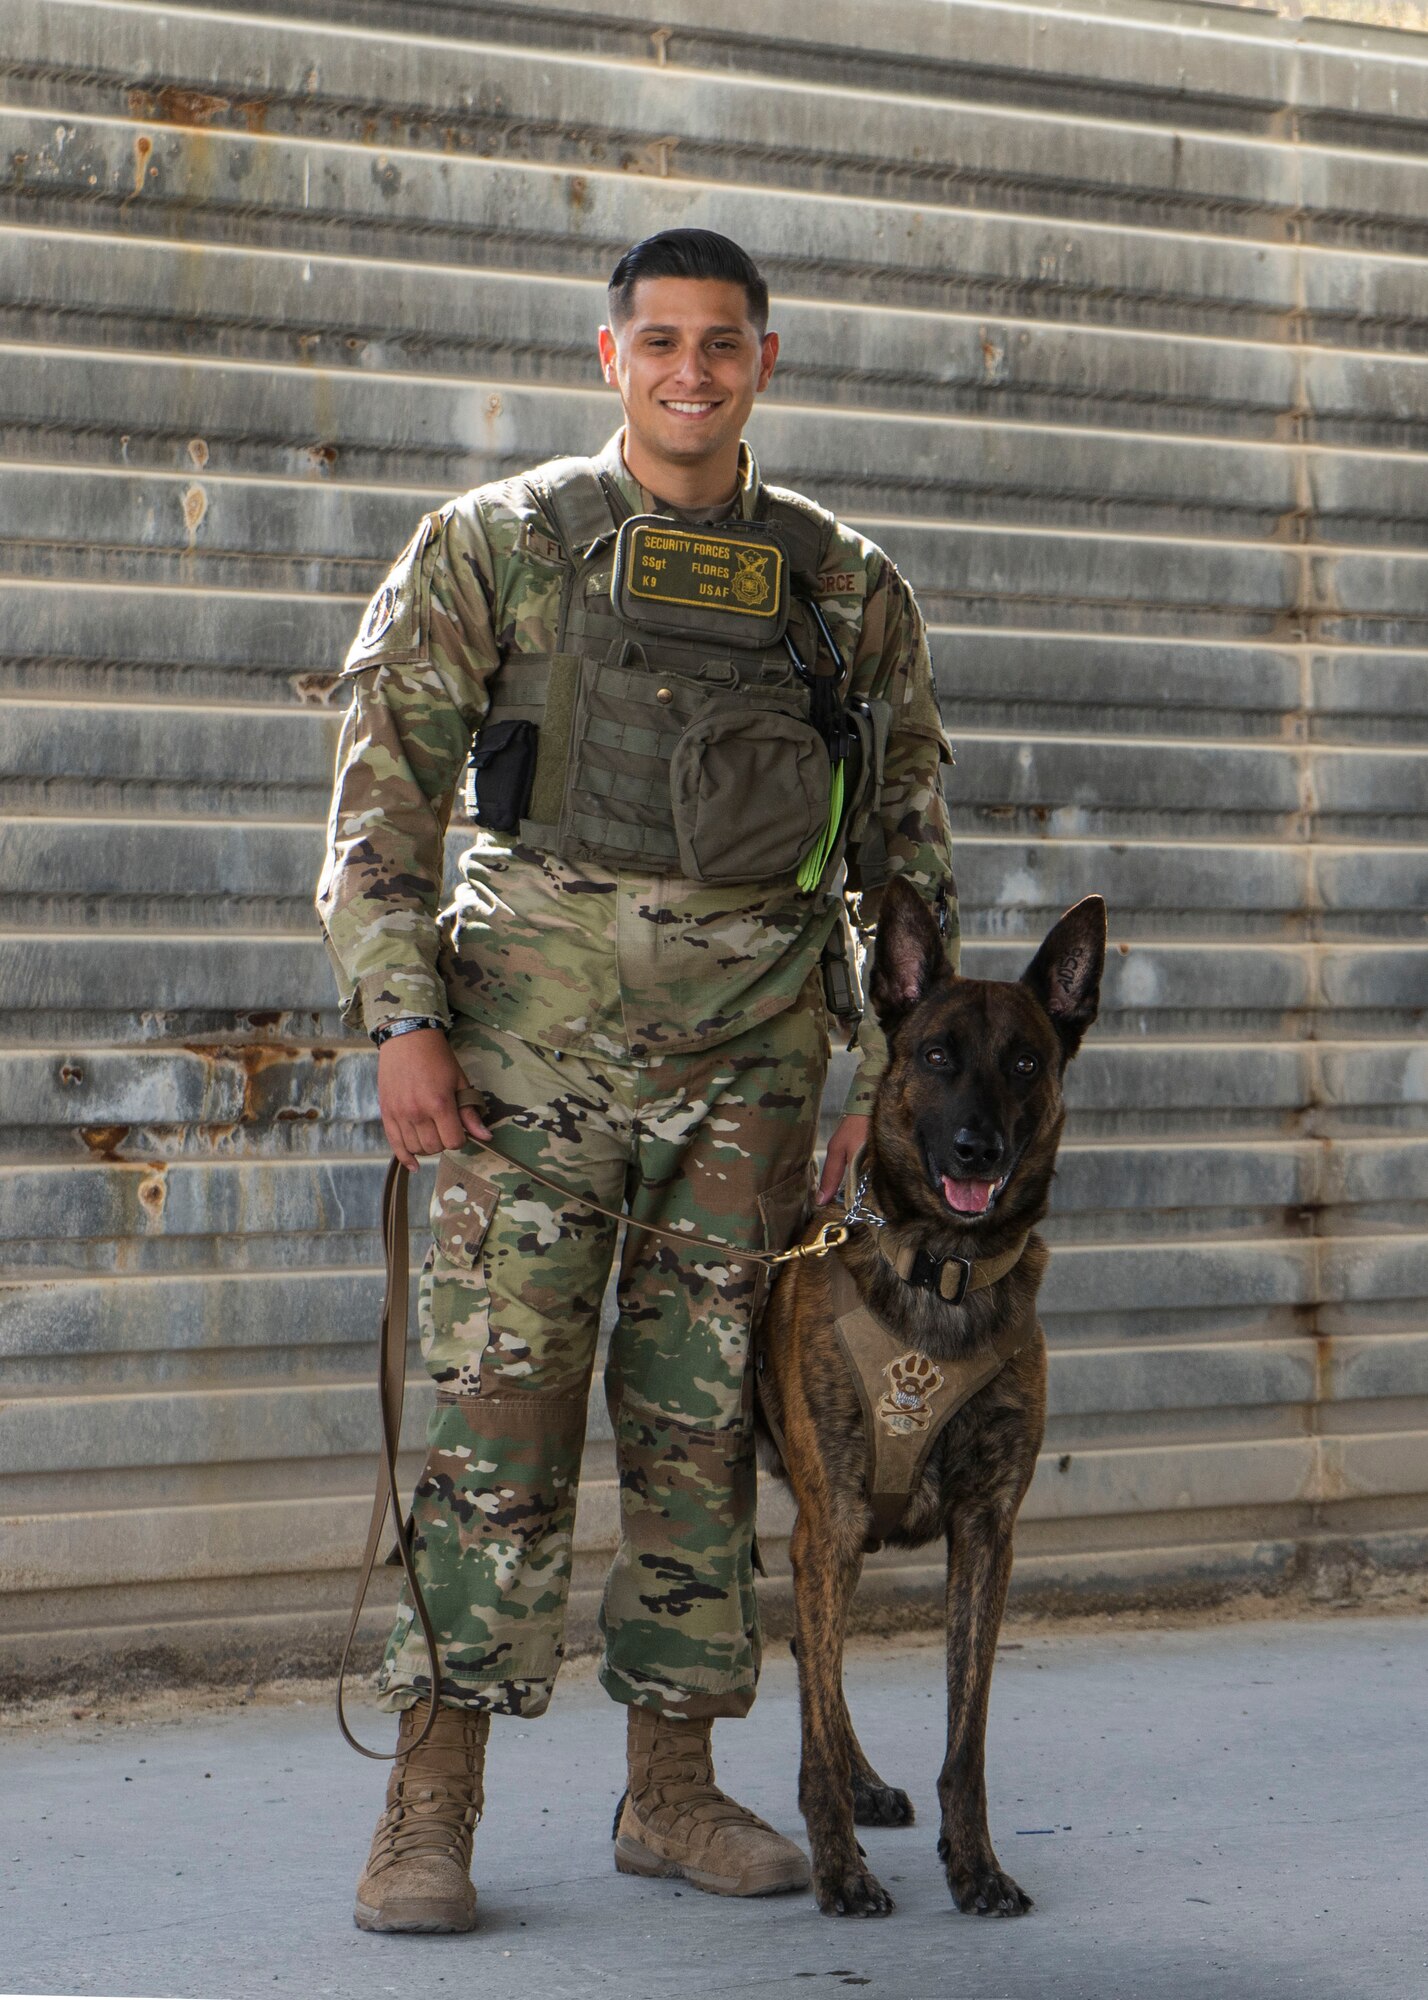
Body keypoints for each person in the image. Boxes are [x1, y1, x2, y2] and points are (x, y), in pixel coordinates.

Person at [317, 227, 957, 1934]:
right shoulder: (500, 545)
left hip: (753, 1079)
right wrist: (401, 1022)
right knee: (493, 1440)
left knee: (701, 1438)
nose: (692, 369)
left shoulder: (843, 587)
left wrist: (875, 1106)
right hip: (519, 1073)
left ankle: (671, 1790)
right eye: (659, 340)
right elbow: (380, 809)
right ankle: (428, 1808)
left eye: (723, 342)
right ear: (613, 359)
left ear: (769, 360)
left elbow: (909, 866)